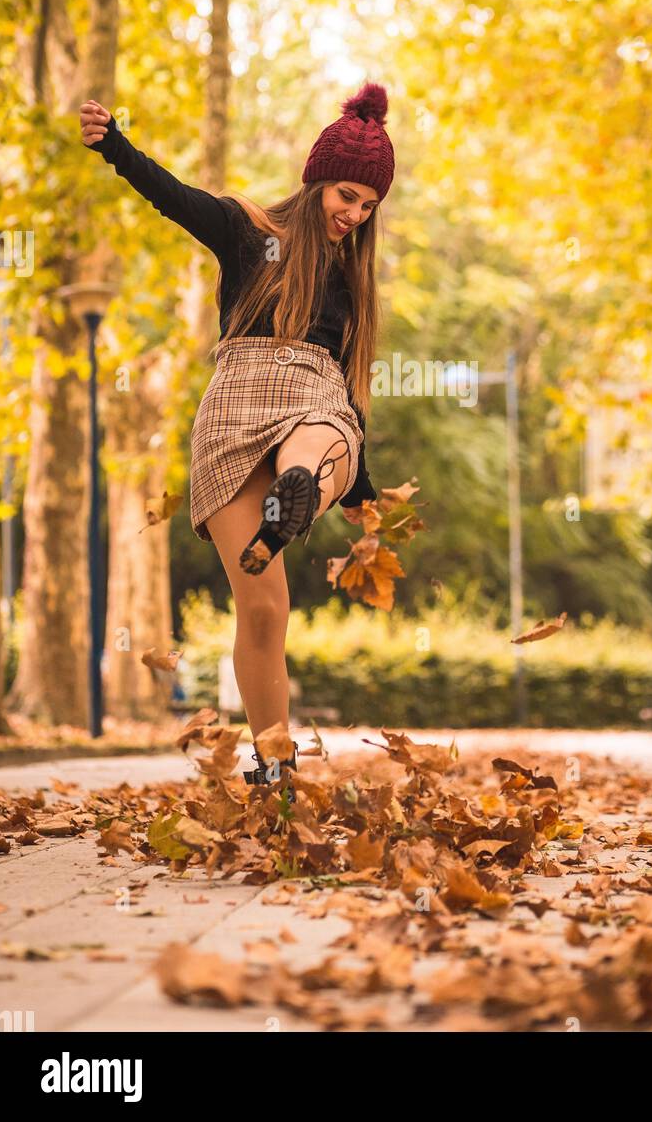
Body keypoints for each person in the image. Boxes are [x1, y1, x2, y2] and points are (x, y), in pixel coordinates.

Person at [80, 83, 395, 793]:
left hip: (303, 405)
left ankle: (275, 768)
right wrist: (116, 146)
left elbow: (348, 391)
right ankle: (276, 759)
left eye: (369, 205)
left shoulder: (350, 279)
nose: (355, 214)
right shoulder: (249, 230)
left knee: (308, 464)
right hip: (254, 401)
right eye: (347, 195)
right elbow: (175, 195)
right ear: (317, 179)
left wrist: (360, 486)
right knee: (263, 607)